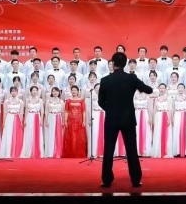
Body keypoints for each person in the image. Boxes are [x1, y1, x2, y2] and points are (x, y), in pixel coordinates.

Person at [97, 52, 153, 188]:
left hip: (111, 118)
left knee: (109, 149)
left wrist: (110, 109)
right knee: (131, 149)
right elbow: (148, 90)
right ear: (126, 64)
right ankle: (135, 180)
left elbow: (100, 101)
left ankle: (106, 180)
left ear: (113, 63)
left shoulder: (105, 80)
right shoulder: (131, 78)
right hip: (128, 118)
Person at [62, 85, 87, 158]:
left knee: (79, 137)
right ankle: (71, 153)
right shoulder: (68, 101)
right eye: (72, 90)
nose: (74, 91)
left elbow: (83, 111)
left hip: (79, 120)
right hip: (70, 120)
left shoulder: (82, 100)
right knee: (71, 136)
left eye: (75, 90)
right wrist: (65, 121)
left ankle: (78, 153)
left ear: (78, 91)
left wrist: (84, 121)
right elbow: (66, 111)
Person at [21, 85, 45, 158]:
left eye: (36, 90)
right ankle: (28, 151)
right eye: (33, 90)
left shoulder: (40, 100)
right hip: (29, 117)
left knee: (37, 133)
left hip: (37, 116)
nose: (34, 91)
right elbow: (26, 110)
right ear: (30, 92)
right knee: (29, 132)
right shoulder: (27, 100)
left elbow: (42, 111)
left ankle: (37, 151)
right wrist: (25, 120)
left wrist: (41, 119)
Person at [44, 87, 65, 158]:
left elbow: (63, 112)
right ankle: (50, 153)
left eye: (56, 91)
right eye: (53, 91)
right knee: (50, 134)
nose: (55, 92)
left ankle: (58, 152)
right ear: (52, 92)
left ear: (59, 93)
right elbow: (46, 111)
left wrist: (63, 121)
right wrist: (46, 120)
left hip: (58, 117)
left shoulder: (61, 101)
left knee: (58, 135)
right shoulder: (48, 101)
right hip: (50, 117)